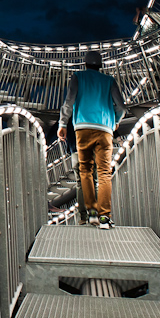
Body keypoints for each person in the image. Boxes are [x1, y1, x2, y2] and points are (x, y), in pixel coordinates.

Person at [58, 50, 126, 229]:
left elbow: (69, 102)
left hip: (82, 128)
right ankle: (105, 217)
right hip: (105, 129)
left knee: (85, 171)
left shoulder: (78, 77)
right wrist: (115, 121)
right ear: (100, 65)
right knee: (104, 173)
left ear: (85, 64)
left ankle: (92, 212)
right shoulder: (109, 80)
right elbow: (121, 107)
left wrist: (63, 124)